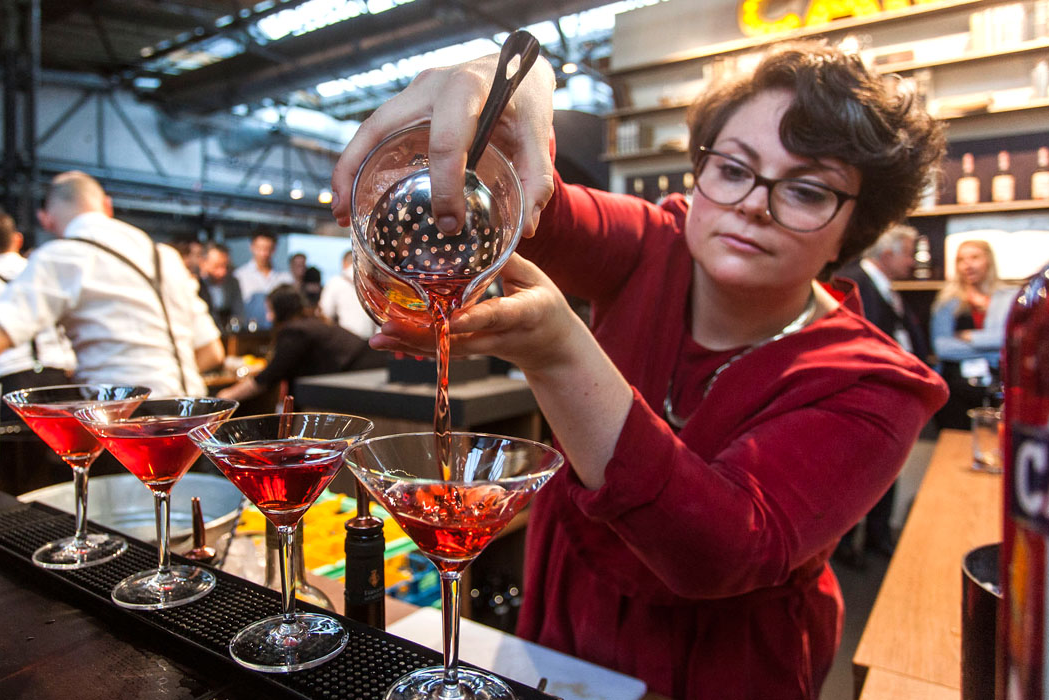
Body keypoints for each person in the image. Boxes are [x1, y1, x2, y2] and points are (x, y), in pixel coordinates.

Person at [331, 39, 948, 699]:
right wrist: (513, 102)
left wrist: (558, 350)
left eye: (804, 190)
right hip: (562, 619)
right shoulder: (655, 243)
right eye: (733, 169)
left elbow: (714, 551)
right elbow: (545, 209)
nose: (752, 205)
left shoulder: (876, 384)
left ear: (855, 227)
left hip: (720, 666)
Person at [0, 171, 224, 397]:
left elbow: (3, 333)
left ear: (45, 219)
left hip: (123, 421)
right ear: (108, 206)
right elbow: (212, 351)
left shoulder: (61, 257)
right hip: (193, 416)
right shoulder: (165, 256)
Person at [834, 224, 932, 566]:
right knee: (855, 473)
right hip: (865, 394)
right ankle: (845, 544)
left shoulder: (887, 287)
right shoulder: (851, 281)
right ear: (887, 253)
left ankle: (878, 535)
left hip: (892, 392)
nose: (912, 261)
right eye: (908, 253)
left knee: (887, 468)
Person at [217, 284, 383, 403]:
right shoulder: (311, 322)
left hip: (363, 377)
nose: (268, 317)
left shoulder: (295, 332)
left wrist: (227, 395)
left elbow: (269, 377)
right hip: (371, 372)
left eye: (270, 310)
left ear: (281, 310)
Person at [0, 208, 77, 422]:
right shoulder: (42, 270)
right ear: (18, 240)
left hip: (14, 383)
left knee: (19, 455)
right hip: (63, 378)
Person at [930, 239, 1016, 429]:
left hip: (998, 386)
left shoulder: (1008, 297)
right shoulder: (947, 300)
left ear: (988, 261)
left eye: (974, 257)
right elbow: (942, 348)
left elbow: (1009, 339)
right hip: (956, 389)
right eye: (961, 259)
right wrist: (992, 347)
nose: (967, 264)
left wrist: (971, 337)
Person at [234, 230, 293, 329]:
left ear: (274, 249)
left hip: (279, 331)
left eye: (268, 249)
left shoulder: (285, 278)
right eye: (259, 248)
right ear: (252, 247)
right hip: (249, 334)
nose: (264, 253)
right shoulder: (240, 276)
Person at [317, 249, 379, 340]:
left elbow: (326, 312)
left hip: (345, 339)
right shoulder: (374, 283)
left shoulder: (335, 282)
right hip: (371, 341)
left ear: (343, 263)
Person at [198, 242, 245, 331]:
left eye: (226, 266)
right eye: (216, 266)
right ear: (203, 263)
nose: (222, 272)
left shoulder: (232, 283)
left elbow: (239, 312)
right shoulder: (196, 285)